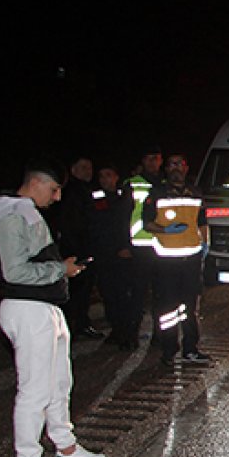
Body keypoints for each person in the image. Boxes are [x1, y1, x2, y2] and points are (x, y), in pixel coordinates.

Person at [0, 159, 106, 457]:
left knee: (58, 383)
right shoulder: (11, 214)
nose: (56, 198)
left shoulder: (23, 211)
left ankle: (64, 447)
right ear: (35, 183)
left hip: (45, 307)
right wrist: (60, 271)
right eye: (54, 190)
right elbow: (15, 272)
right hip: (26, 308)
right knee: (34, 390)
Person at [142, 154, 209, 366]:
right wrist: (165, 230)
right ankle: (168, 350)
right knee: (168, 309)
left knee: (190, 307)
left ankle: (191, 349)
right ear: (167, 168)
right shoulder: (157, 193)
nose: (176, 168)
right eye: (172, 164)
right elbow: (147, 223)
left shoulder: (196, 192)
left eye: (180, 163)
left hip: (191, 258)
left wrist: (205, 244)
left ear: (187, 167)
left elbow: (202, 222)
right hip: (167, 261)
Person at [55, 157, 104, 339]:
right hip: (76, 249)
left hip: (84, 246)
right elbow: (72, 222)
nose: (88, 171)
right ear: (73, 170)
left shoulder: (86, 190)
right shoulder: (73, 192)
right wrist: (79, 249)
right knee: (77, 291)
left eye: (90, 167)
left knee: (83, 291)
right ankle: (74, 326)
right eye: (83, 167)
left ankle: (80, 323)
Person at [88, 165, 137, 349]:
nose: (105, 180)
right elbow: (96, 223)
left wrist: (126, 246)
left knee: (124, 295)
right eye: (101, 176)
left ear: (116, 177)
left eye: (108, 175)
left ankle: (127, 333)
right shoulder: (96, 197)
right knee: (108, 294)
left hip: (122, 253)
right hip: (104, 253)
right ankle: (116, 330)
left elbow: (127, 224)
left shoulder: (125, 196)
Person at [124, 145, 164, 345]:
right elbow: (121, 217)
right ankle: (131, 335)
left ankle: (160, 335)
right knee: (137, 294)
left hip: (163, 247)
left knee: (162, 294)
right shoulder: (132, 184)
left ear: (160, 160)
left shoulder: (166, 184)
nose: (152, 162)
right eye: (148, 158)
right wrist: (124, 244)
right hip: (139, 247)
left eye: (155, 158)